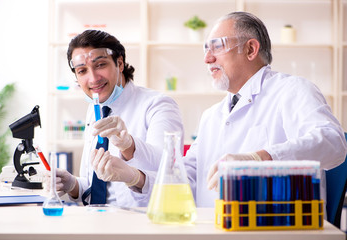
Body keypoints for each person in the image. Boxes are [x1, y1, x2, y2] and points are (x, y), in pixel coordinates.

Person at [181, 11, 347, 207]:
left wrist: (260, 158)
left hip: (275, 231)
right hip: (211, 230)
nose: (207, 59)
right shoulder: (211, 115)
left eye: (217, 47)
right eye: (206, 49)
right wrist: (138, 178)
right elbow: (188, 175)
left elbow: (333, 143)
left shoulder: (292, 90)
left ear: (251, 49)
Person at [45, 29, 183, 207]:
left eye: (100, 65)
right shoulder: (95, 110)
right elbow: (99, 185)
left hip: (139, 223)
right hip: (96, 220)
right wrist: (73, 185)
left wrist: (129, 146)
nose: (93, 78)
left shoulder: (158, 105)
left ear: (119, 63)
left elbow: (168, 172)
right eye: (82, 71)